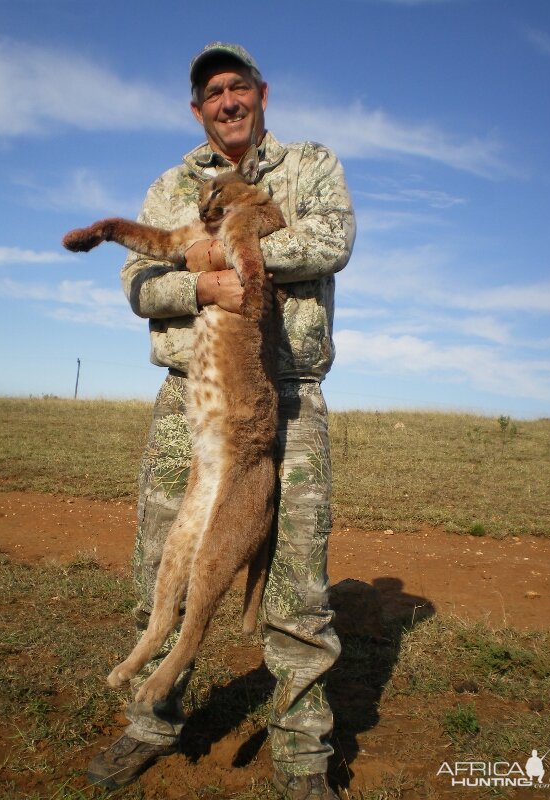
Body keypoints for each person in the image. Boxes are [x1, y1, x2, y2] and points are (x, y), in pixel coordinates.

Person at [87, 42, 356, 799]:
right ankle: (152, 722)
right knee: (161, 566)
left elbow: (332, 242)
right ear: (197, 107)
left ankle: (303, 759)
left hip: (287, 400)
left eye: (240, 86)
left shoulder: (309, 165)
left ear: (263, 94)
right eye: (213, 91)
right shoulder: (171, 184)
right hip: (190, 396)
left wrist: (245, 242)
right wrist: (204, 284)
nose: (228, 100)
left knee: (297, 591)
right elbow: (140, 285)